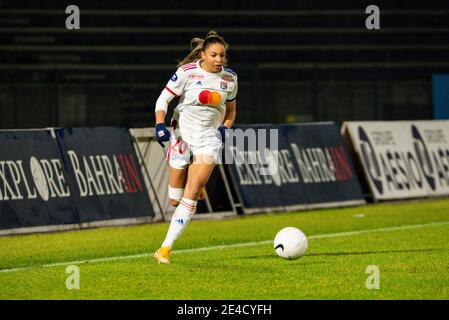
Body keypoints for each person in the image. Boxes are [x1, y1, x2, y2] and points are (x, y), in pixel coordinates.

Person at [153, 31, 238, 264]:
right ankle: (198, 183)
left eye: (222, 55)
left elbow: (230, 111)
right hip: (181, 134)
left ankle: (165, 249)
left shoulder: (230, 79)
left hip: (209, 139)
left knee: (189, 193)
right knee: (174, 199)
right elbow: (163, 100)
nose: (219, 59)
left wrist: (226, 127)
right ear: (203, 54)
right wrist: (160, 124)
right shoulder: (186, 73)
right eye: (214, 54)